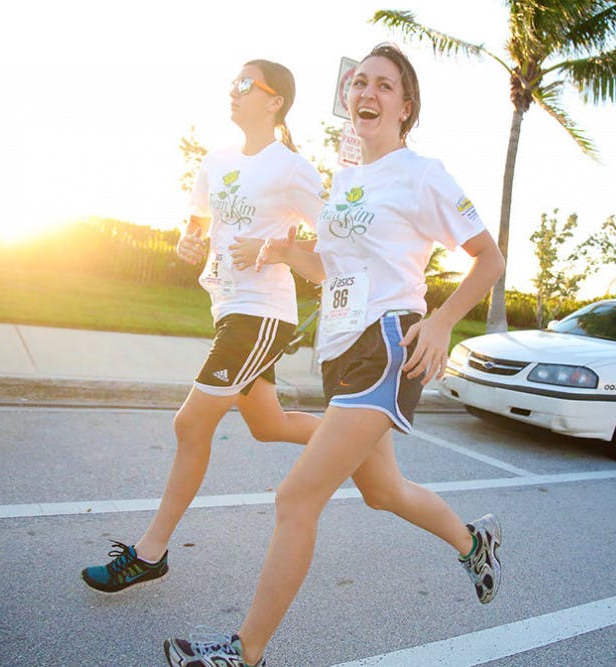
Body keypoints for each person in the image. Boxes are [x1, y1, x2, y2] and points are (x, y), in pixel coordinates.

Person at [162, 43, 507, 667]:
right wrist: (283, 254)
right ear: (347, 98)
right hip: (341, 349)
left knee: (296, 498)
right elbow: (333, 270)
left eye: (384, 86)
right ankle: (473, 540)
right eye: (359, 84)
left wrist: (441, 321)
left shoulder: (423, 174)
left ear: (406, 107)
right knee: (383, 492)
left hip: (386, 344)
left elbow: (489, 258)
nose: (367, 93)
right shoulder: (346, 179)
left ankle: (245, 653)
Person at [80, 59, 324, 594]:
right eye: (232, 84)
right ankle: (354, 435)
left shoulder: (291, 169)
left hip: (261, 312)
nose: (232, 92)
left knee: (190, 426)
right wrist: (187, 244)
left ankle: (150, 553)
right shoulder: (214, 162)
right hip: (226, 307)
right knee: (268, 425)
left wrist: (273, 248)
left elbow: (336, 244)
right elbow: (195, 229)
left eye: (245, 85)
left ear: (274, 100)